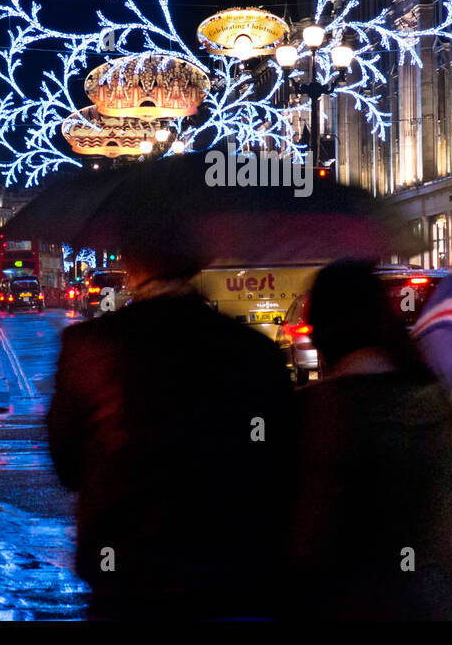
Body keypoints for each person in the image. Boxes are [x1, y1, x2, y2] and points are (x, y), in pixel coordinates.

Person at [47, 235, 296, 619]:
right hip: (232, 577)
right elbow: (281, 459)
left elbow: (67, 463)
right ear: (197, 261)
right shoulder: (252, 350)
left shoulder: (90, 345)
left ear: (130, 262)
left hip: (127, 577)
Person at [292, 260, 452, 620]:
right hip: (436, 600)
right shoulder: (433, 400)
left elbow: (309, 534)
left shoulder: (318, 411)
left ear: (323, 331)